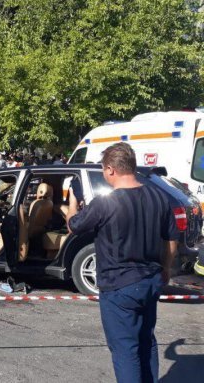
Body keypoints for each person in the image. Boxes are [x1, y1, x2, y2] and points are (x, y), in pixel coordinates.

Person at [66, 142, 178, 383]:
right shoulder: (159, 197)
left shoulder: (105, 202)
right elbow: (171, 239)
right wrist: (166, 268)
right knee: (146, 341)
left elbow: (74, 226)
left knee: (125, 350)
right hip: (150, 281)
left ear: (110, 169)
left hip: (119, 286)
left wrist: (71, 204)